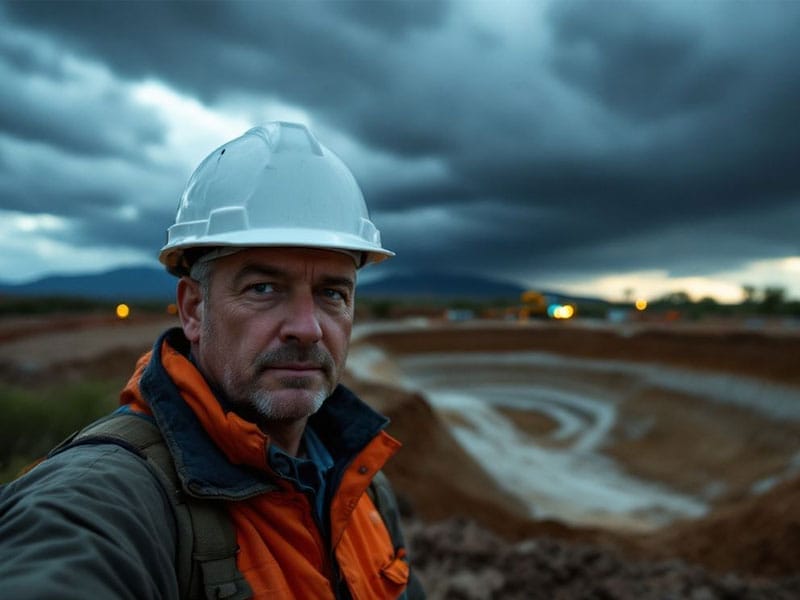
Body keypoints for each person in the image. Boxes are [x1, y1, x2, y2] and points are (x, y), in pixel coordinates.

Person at [0, 122, 424, 599]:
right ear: (194, 309)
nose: (307, 327)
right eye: (264, 288)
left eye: (331, 293)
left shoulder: (362, 489)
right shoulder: (102, 504)